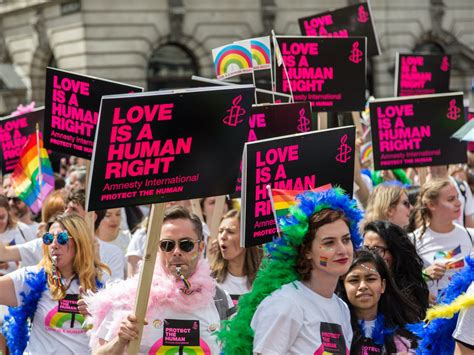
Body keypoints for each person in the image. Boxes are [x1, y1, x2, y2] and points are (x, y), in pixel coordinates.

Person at [219, 187, 363, 354]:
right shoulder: (286, 303)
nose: (342, 249)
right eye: (329, 243)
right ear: (307, 251)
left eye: (346, 240)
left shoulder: (342, 308)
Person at [85, 206, 232, 354]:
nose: (176, 252)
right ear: (158, 248)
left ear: (201, 247)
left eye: (186, 244)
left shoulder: (219, 299)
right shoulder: (131, 297)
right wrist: (120, 340)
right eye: (167, 245)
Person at [0, 213, 109, 354]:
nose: (54, 244)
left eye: (62, 238)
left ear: (79, 242)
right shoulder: (31, 278)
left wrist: (95, 314)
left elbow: (108, 341)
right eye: (49, 238)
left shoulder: (99, 285)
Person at [339, 250, 419, 354]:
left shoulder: (407, 334)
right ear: (344, 287)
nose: (363, 286)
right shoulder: (334, 327)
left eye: (370, 279)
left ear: (382, 285)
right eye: (354, 280)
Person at [411, 178, 473, 299]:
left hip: (465, 313)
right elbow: (403, 283)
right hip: (432, 313)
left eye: (457, 197)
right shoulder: (413, 240)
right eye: (451, 199)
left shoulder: (471, 236)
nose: (459, 203)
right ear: (431, 205)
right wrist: (424, 275)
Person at [363, 220, 429, 320]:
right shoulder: (357, 285)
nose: (370, 255)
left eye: (377, 249)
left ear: (395, 253)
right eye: (366, 248)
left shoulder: (410, 293)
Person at [211, 209, 262, 304]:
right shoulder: (211, 281)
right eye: (220, 231)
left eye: (230, 232)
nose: (223, 236)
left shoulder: (263, 280)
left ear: (247, 238)